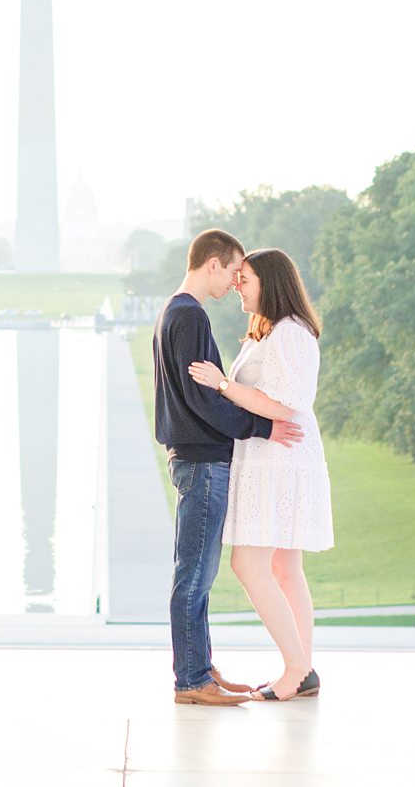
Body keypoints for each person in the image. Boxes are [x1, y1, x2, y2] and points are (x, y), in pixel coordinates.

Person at [152, 228, 303, 705]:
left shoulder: (175, 312)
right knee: (194, 575)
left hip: (195, 459)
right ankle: (192, 680)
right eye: (233, 271)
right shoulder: (189, 315)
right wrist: (263, 428)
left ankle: (200, 669)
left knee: (197, 573)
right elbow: (203, 398)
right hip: (202, 461)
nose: (234, 283)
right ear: (212, 264)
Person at [189, 245, 335, 700]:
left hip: (280, 460)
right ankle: (302, 671)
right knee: (284, 567)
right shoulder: (269, 332)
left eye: (245, 279)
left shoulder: (291, 333)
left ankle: (295, 668)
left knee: (248, 563)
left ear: (269, 284)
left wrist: (223, 384)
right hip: (272, 457)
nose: (237, 285)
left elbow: (285, 405)